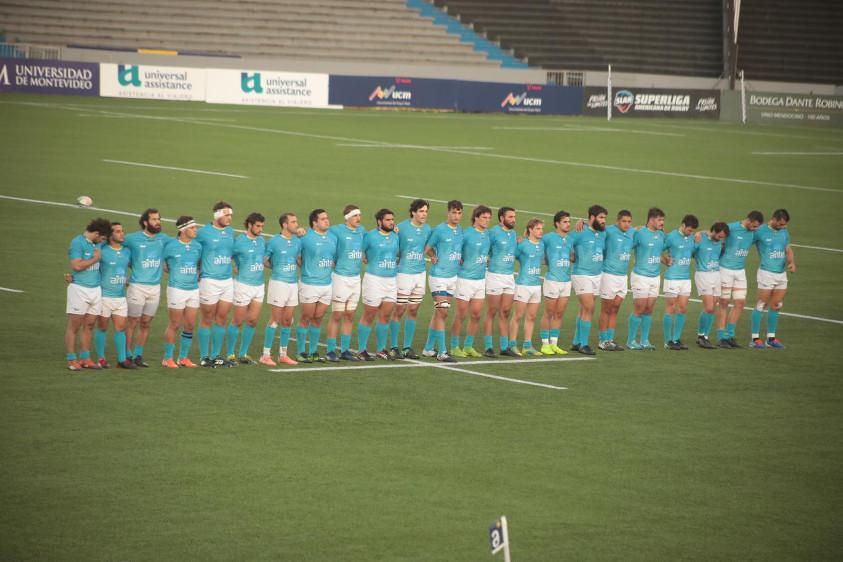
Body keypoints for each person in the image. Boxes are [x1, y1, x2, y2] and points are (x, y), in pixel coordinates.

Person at [123, 208, 169, 367]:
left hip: (155, 288)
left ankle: (138, 355)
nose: (158, 222)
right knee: (132, 322)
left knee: (146, 322)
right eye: (154, 219)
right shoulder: (132, 239)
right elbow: (116, 249)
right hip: (137, 286)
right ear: (145, 222)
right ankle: (127, 355)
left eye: (159, 219)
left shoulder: (163, 239)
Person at [65, 218, 111, 370]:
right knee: (74, 326)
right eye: (103, 238)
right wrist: (95, 259)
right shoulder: (77, 243)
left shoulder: (97, 243)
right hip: (79, 289)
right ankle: (72, 359)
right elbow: (77, 265)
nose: (103, 241)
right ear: (97, 234)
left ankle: (85, 358)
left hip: (95, 290)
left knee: (90, 325)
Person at [421, 200, 463, 362]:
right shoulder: (439, 230)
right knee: (443, 312)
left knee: (439, 312)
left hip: (453, 277)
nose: (456, 216)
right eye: (454, 212)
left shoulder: (459, 230)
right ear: (448, 213)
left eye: (459, 213)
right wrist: (432, 256)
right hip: (439, 276)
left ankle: (428, 348)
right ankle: (442, 352)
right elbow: (426, 247)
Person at [357, 209, 401, 360]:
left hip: (391, 280)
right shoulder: (370, 236)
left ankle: (381, 349)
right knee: (369, 314)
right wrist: (364, 258)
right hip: (374, 280)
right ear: (379, 221)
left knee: (386, 315)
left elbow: (398, 254)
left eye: (392, 219)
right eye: (388, 220)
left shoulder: (396, 236)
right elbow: (359, 251)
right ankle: (361, 350)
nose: (391, 222)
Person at [717, 210, 764, 348]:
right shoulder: (731, 228)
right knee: (724, 302)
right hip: (725, 269)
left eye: (757, 227)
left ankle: (730, 335)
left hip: (740, 271)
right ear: (749, 220)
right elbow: (713, 232)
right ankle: (721, 337)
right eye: (754, 226)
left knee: (740, 303)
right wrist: (699, 233)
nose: (755, 229)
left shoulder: (753, 232)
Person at [196, 202, 236, 367]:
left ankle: (216, 355)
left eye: (230, 215)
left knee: (221, 318)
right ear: (217, 215)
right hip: (209, 280)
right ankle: (204, 356)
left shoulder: (230, 231)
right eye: (226, 215)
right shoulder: (203, 233)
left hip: (227, 280)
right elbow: (192, 250)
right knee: (207, 318)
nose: (229, 218)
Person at [450, 205, 492, 358]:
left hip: (480, 280)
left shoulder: (488, 234)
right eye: (484, 218)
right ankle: (454, 346)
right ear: (476, 218)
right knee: (461, 314)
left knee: (476, 315)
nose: (487, 221)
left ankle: (468, 346)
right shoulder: (466, 234)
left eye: (489, 218)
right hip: (465, 279)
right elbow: (454, 249)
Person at [260, 213, 301, 366]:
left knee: (287, 320)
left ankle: (283, 354)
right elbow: (264, 260)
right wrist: (276, 268)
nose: (296, 224)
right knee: (275, 319)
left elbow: (297, 259)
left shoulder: (297, 241)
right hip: (278, 283)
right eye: (293, 221)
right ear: (284, 224)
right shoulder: (274, 242)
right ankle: (265, 355)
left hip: (292, 283)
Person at [391, 198, 431, 359]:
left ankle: (407, 347)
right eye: (421, 211)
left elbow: (429, 247)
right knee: (399, 310)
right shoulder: (400, 228)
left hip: (420, 274)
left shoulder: (427, 229)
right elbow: (393, 248)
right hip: (404, 274)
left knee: (413, 310)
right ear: (413, 212)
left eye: (426, 211)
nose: (424, 214)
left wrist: (433, 256)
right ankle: (394, 347)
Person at [750, 209, 795, 349]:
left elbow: (787, 249)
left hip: (781, 274)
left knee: (776, 305)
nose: (783, 227)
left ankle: (771, 338)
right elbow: (746, 241)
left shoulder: (784, 232)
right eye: (780, 224)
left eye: (784, 224)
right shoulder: (760, 231)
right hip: (766, 273)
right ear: (774, 219)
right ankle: (755, 338)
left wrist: (791, 262)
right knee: (761, 304)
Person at [161, 216, 202, 368]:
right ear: (182, 230)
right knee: (175, 323)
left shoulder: (197, 246)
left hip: (193, 289)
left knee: (190, 324)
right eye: (192, 228)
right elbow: (164, 264)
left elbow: (198, 264)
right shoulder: (170, 246)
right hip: (176, 289)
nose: (195, 230)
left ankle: (183, 358)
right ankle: (167, 358)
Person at [326, 205, 365, 362]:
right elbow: (321, 236)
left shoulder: (361, 231)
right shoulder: (336, 230)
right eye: (355, 216)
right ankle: (330, 351)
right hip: (340, 278)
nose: (358, 219)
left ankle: (345, 350)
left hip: (355, 278)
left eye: (359, 215)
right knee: (337, 315)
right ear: (347, 217)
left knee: (350, 315)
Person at [297, 208, 336, 363]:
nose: (327, 221)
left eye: (327, 218)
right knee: (306, 317)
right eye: (323, 219)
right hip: (309, 283)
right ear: (314, 223)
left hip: (327, 284)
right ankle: (301, 351)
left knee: (318, 318)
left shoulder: (332, 237)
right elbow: (295, 254)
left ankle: (313, 351)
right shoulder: (306, 237)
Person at [227, 212, 266, 364]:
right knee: (237, 320)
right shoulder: (239, 241)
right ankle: (230, 353)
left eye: (262, 226)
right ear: (249, 225)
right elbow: (227, 256)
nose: (260, 229)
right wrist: (234, 265)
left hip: (259, 285)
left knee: (252, 321)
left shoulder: (262, 241)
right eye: (258, 226)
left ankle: (243, 354)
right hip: (243, 285)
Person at [93, 222, 133, 369]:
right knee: (102, 327)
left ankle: (122, 360)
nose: (121, 234)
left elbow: (131, 266)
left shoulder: (127, 251)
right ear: (110, 235)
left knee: (121, 327)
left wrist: (128, 279)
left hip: (120, 296)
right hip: (104, 295)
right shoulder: (102, 250)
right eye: (117, 231)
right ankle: (101, 358)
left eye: (122, 231)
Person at [568, 205, 607, 355]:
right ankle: (584, 344)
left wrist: (583, 220)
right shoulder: (579, 233)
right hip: (581, 274)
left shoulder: (603, 232)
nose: (603, 221)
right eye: (601, 218)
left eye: (604, 218)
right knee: (589, 307)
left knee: (585, 309)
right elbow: (565, 242)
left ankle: (576, 342)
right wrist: (570, 255)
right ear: (592, 218)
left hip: (597, 275)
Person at [627, 207, 667, 351]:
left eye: (663, 219)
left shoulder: (662, 235)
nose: (662, 222)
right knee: (639, 308)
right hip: (640, 276)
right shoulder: (639, 233)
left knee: (649, 309)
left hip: (655, 276)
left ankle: (644, 340)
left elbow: (658, 252)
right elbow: (627, 246)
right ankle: (631, 340)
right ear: (651, 219)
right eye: (659, 219)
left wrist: (664, 260)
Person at [483, 207, 518, 357]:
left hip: (509, 277)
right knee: (492, 311)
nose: (513, 219)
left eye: (514, 217)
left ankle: (505, 347)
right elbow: (484, 249)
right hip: (495, 276)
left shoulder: (513, 233)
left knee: (505, 312)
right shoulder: (492, 232)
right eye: (510, 217)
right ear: (501, 219)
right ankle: (488, 347)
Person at [597, 210, 634, 351]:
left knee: (615, 308)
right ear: (618, 221)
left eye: (629, 221)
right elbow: (594, 229)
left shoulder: (632, 232)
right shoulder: (609, 231)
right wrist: (582, 222)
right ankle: (602, 340)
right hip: (609, 274)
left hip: (623, 276)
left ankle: (610, 339)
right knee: (606, 308)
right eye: (624, 221)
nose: (627, 224)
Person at [508, 218, 545, 356]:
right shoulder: (522, 244)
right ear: (530, 229)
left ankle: (527, 346)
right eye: (538, 228)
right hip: (523, 284)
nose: (541, 231)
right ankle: (512, 345)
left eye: (541, 229)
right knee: (517, 316)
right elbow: (512, 256)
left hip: (536, 285)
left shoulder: (541, 245)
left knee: (531, 317)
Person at [538, 211, 573, 355]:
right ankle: (544, 344)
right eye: (565, 221)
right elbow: (536, 247)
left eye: (569, 221)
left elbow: (571, 255)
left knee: (559, 314)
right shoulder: (548, 238)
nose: (568, 224)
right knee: (548, 313)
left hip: (566, 281)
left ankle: (554, 344)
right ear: (557, 223)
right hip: (552, 280)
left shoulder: (570, 239)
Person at [662, 215, 698, 350]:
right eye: (689, 230)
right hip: (672, 277)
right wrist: (665, 259)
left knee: (682, 308)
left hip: (685, 278)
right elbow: (658, 249)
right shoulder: (671, 237)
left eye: (693, 230)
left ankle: (676, 339)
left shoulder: (692, 238)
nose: (691, 232)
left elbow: (694, 252)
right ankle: (667, 341)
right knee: (671, 307)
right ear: (683, 225)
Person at [693, 222, 730, 349]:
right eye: (719, 236)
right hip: (703, 275)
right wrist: (700, 233)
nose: (721, 239)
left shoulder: (721, 243)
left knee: (713, 308)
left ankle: (705, 337)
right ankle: (700, 335)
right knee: (708, 307)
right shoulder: (700, 238)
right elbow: (692, 252)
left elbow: (720, 255)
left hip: (716, 275)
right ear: (713, 231)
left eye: (722, 237)